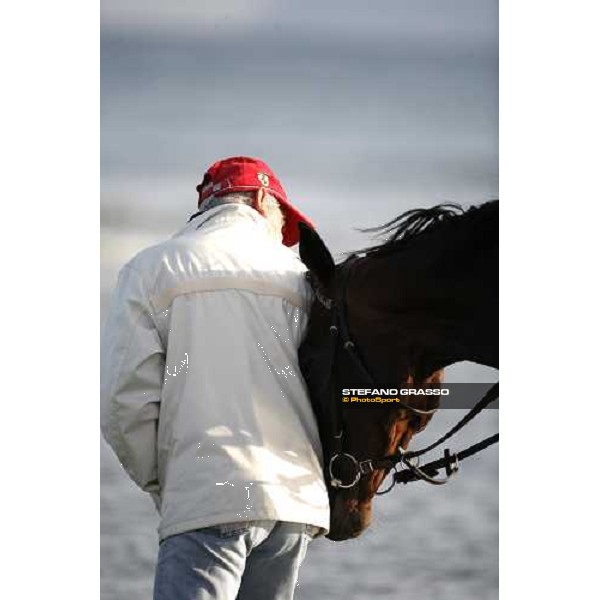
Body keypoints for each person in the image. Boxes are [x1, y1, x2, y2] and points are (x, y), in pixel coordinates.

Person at [101, 156, 330, 600]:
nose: (280, 237)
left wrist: (168, 482)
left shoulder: (152, 269)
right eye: (280, 221)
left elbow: (122, 400)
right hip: (291, 505)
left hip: (208, 493)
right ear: (264, 199)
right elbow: (330, 391)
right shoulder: (303, 282)